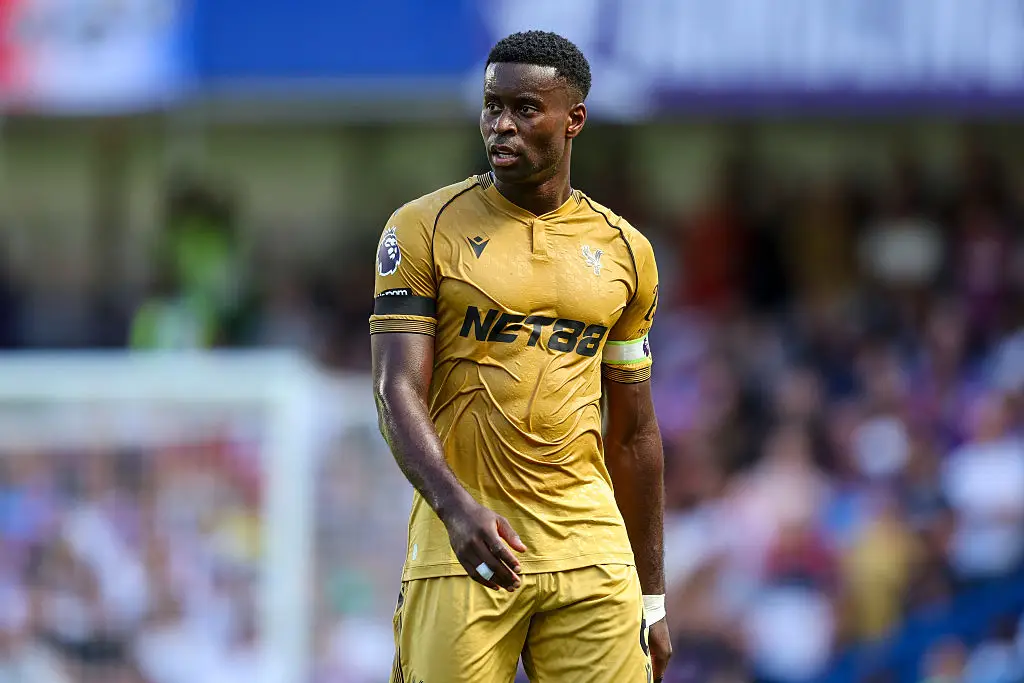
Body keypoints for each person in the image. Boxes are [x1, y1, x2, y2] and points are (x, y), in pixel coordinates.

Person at [370, 30, 671, 683]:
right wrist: (454, 507)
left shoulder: (626, 252)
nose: (500, 125)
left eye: (524, 109)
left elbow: (635, 431)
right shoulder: (423, 228)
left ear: (574, 121)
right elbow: (396, 390)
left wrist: (652, 597)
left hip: (590, 546)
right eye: (491, 106)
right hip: (467, 541)